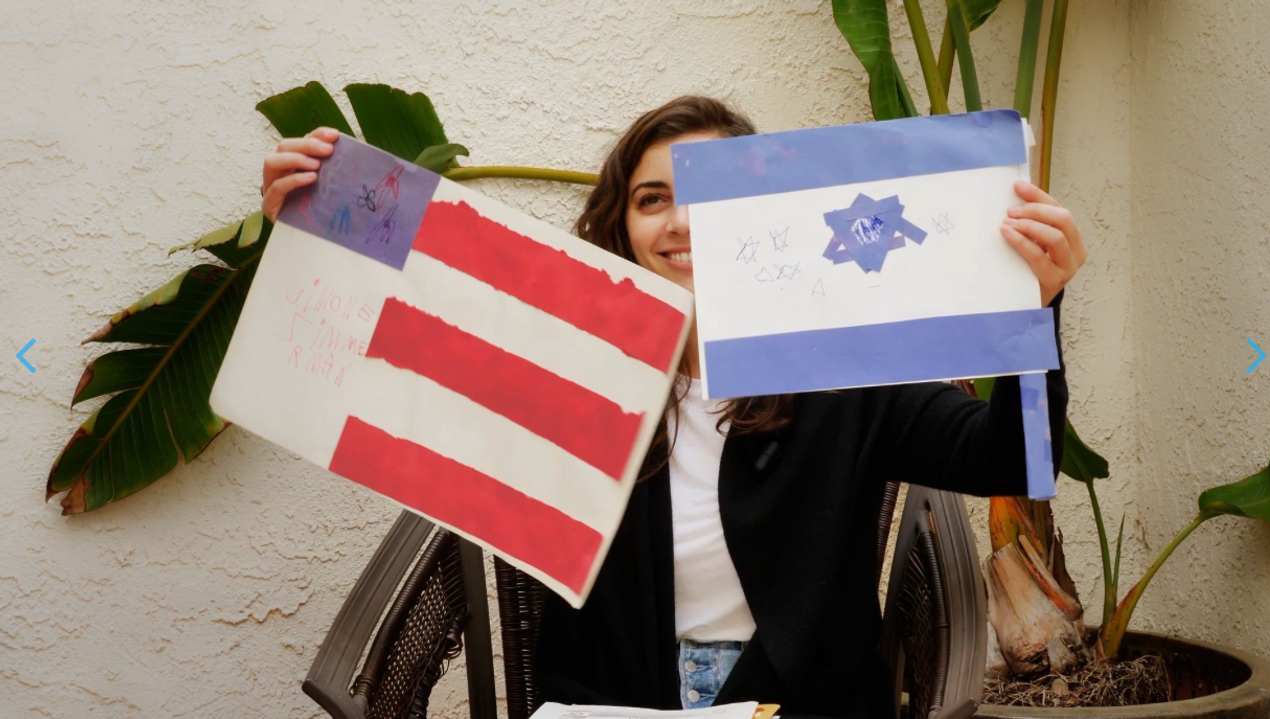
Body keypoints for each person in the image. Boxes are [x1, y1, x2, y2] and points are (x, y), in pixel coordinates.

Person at [261, 96, 1087, 719]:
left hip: (801, 702)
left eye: (709, 196)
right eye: (652, 198)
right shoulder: (565, 368)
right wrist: (308, 225)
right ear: (621, 226)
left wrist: (1036, 309)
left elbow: (1012, 459)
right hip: (615, 704)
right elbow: (393, 360)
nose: (682, 222)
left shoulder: (840, 369)